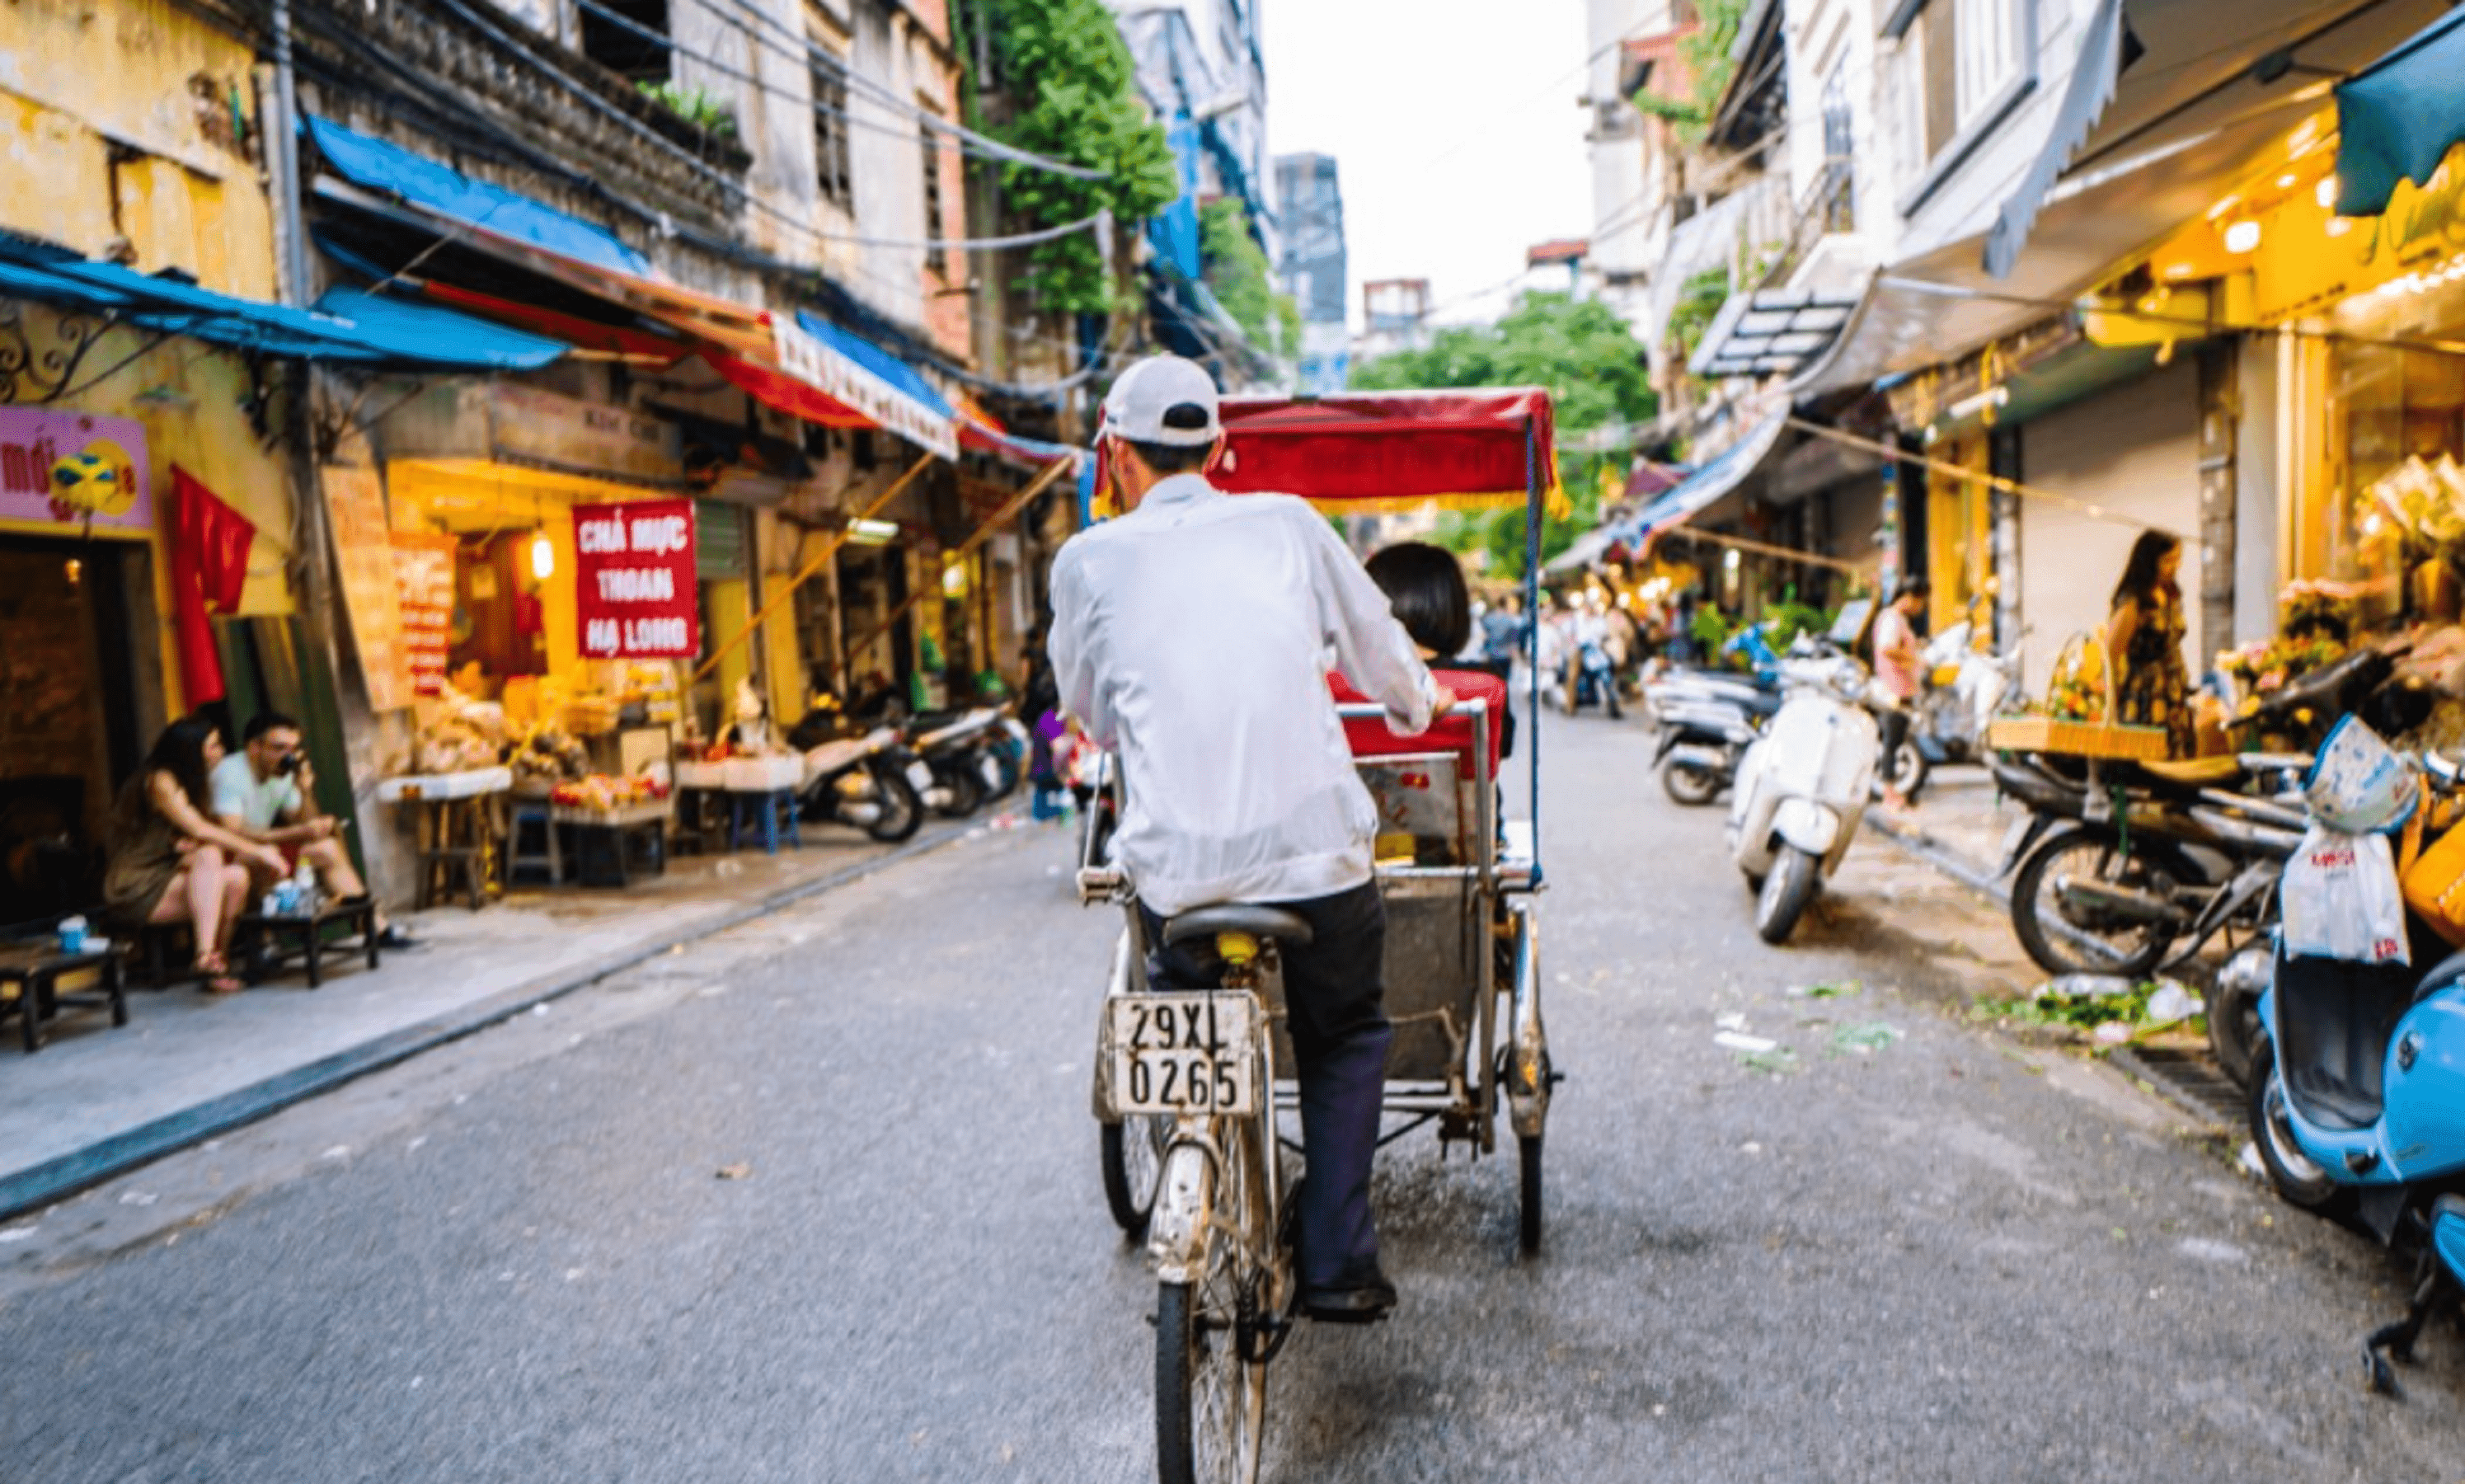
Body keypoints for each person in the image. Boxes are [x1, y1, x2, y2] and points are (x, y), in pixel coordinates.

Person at [1051, 354, 1452, 1325]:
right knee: (1345, 1033)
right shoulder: (1285, 523)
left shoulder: (1087, 558)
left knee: (1181, 1015)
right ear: (1219, 449)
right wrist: (1416, 707)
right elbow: (1384, 656)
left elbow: (1087, 714)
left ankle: (1196, 1160)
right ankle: (1336, 1264)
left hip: (1180, 877)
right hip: (1317, 861)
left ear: (1114, 455)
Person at [101, 719, 286, 994]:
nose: (220, 752)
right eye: (212, 746)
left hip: (167, 878)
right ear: (189, 749)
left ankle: (213, 964)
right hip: (135, 888)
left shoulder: (193, 781)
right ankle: (204, 955)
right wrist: (258, 850)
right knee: (210, 853)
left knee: (237, 878)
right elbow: (200, 829)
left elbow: (185, 839)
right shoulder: (160, 780)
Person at [211, 711, 416, 950]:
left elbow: (306, 823)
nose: (288, 756)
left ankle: (374, 928)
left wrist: (305, 790)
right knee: (268, 857)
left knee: (327, 848)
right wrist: (296, 833)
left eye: (293, 748)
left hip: (263, 850)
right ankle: (265, 941)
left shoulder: (283, 774)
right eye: (279, 748)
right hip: (229, 854)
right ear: (255, 748)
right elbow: (232, 831)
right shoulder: (230, 773)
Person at [1336, 541, 1514, 767]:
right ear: (1454, 610)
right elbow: (1502, 748)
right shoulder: (1486, 680)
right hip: (1459, 801)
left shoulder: (1337, 684)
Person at [2107, 530, 2195, 758]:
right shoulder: (2134, 601)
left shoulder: (2170, 595)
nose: (2175, 567)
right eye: (2168, 560)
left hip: (2173, 693)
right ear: (2150, 561)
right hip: (2147, 694)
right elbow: (2111, 653)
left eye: (2177, 559)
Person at [1868, 580, 1928, 811]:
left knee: (1896, 740)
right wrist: (1912, 659)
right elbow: (1886, 648)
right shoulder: (1892, 618)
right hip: (1893, 690)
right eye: (1921, 601)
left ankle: (1894, 791)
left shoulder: (1896, 619)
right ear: (1911, 597)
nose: (1921, 607)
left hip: (1900, 688)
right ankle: (1889, 793)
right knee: (1892, 743)